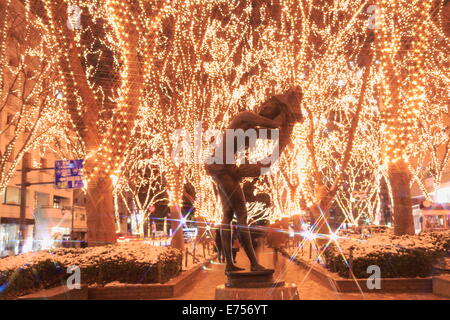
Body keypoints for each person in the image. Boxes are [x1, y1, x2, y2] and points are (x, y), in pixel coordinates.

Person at [206, 87, 304, 273]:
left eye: (271, 107)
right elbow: (274, 127)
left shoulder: (251, 128)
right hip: (222, 167)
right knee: (241, 214)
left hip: (223, 167)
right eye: (267, 105)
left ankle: (229, 265)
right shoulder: (246, 116)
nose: (265, 106)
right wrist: (289, 116)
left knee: (227, 215)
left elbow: (275, 135)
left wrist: (286, 131)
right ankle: (253, 264)